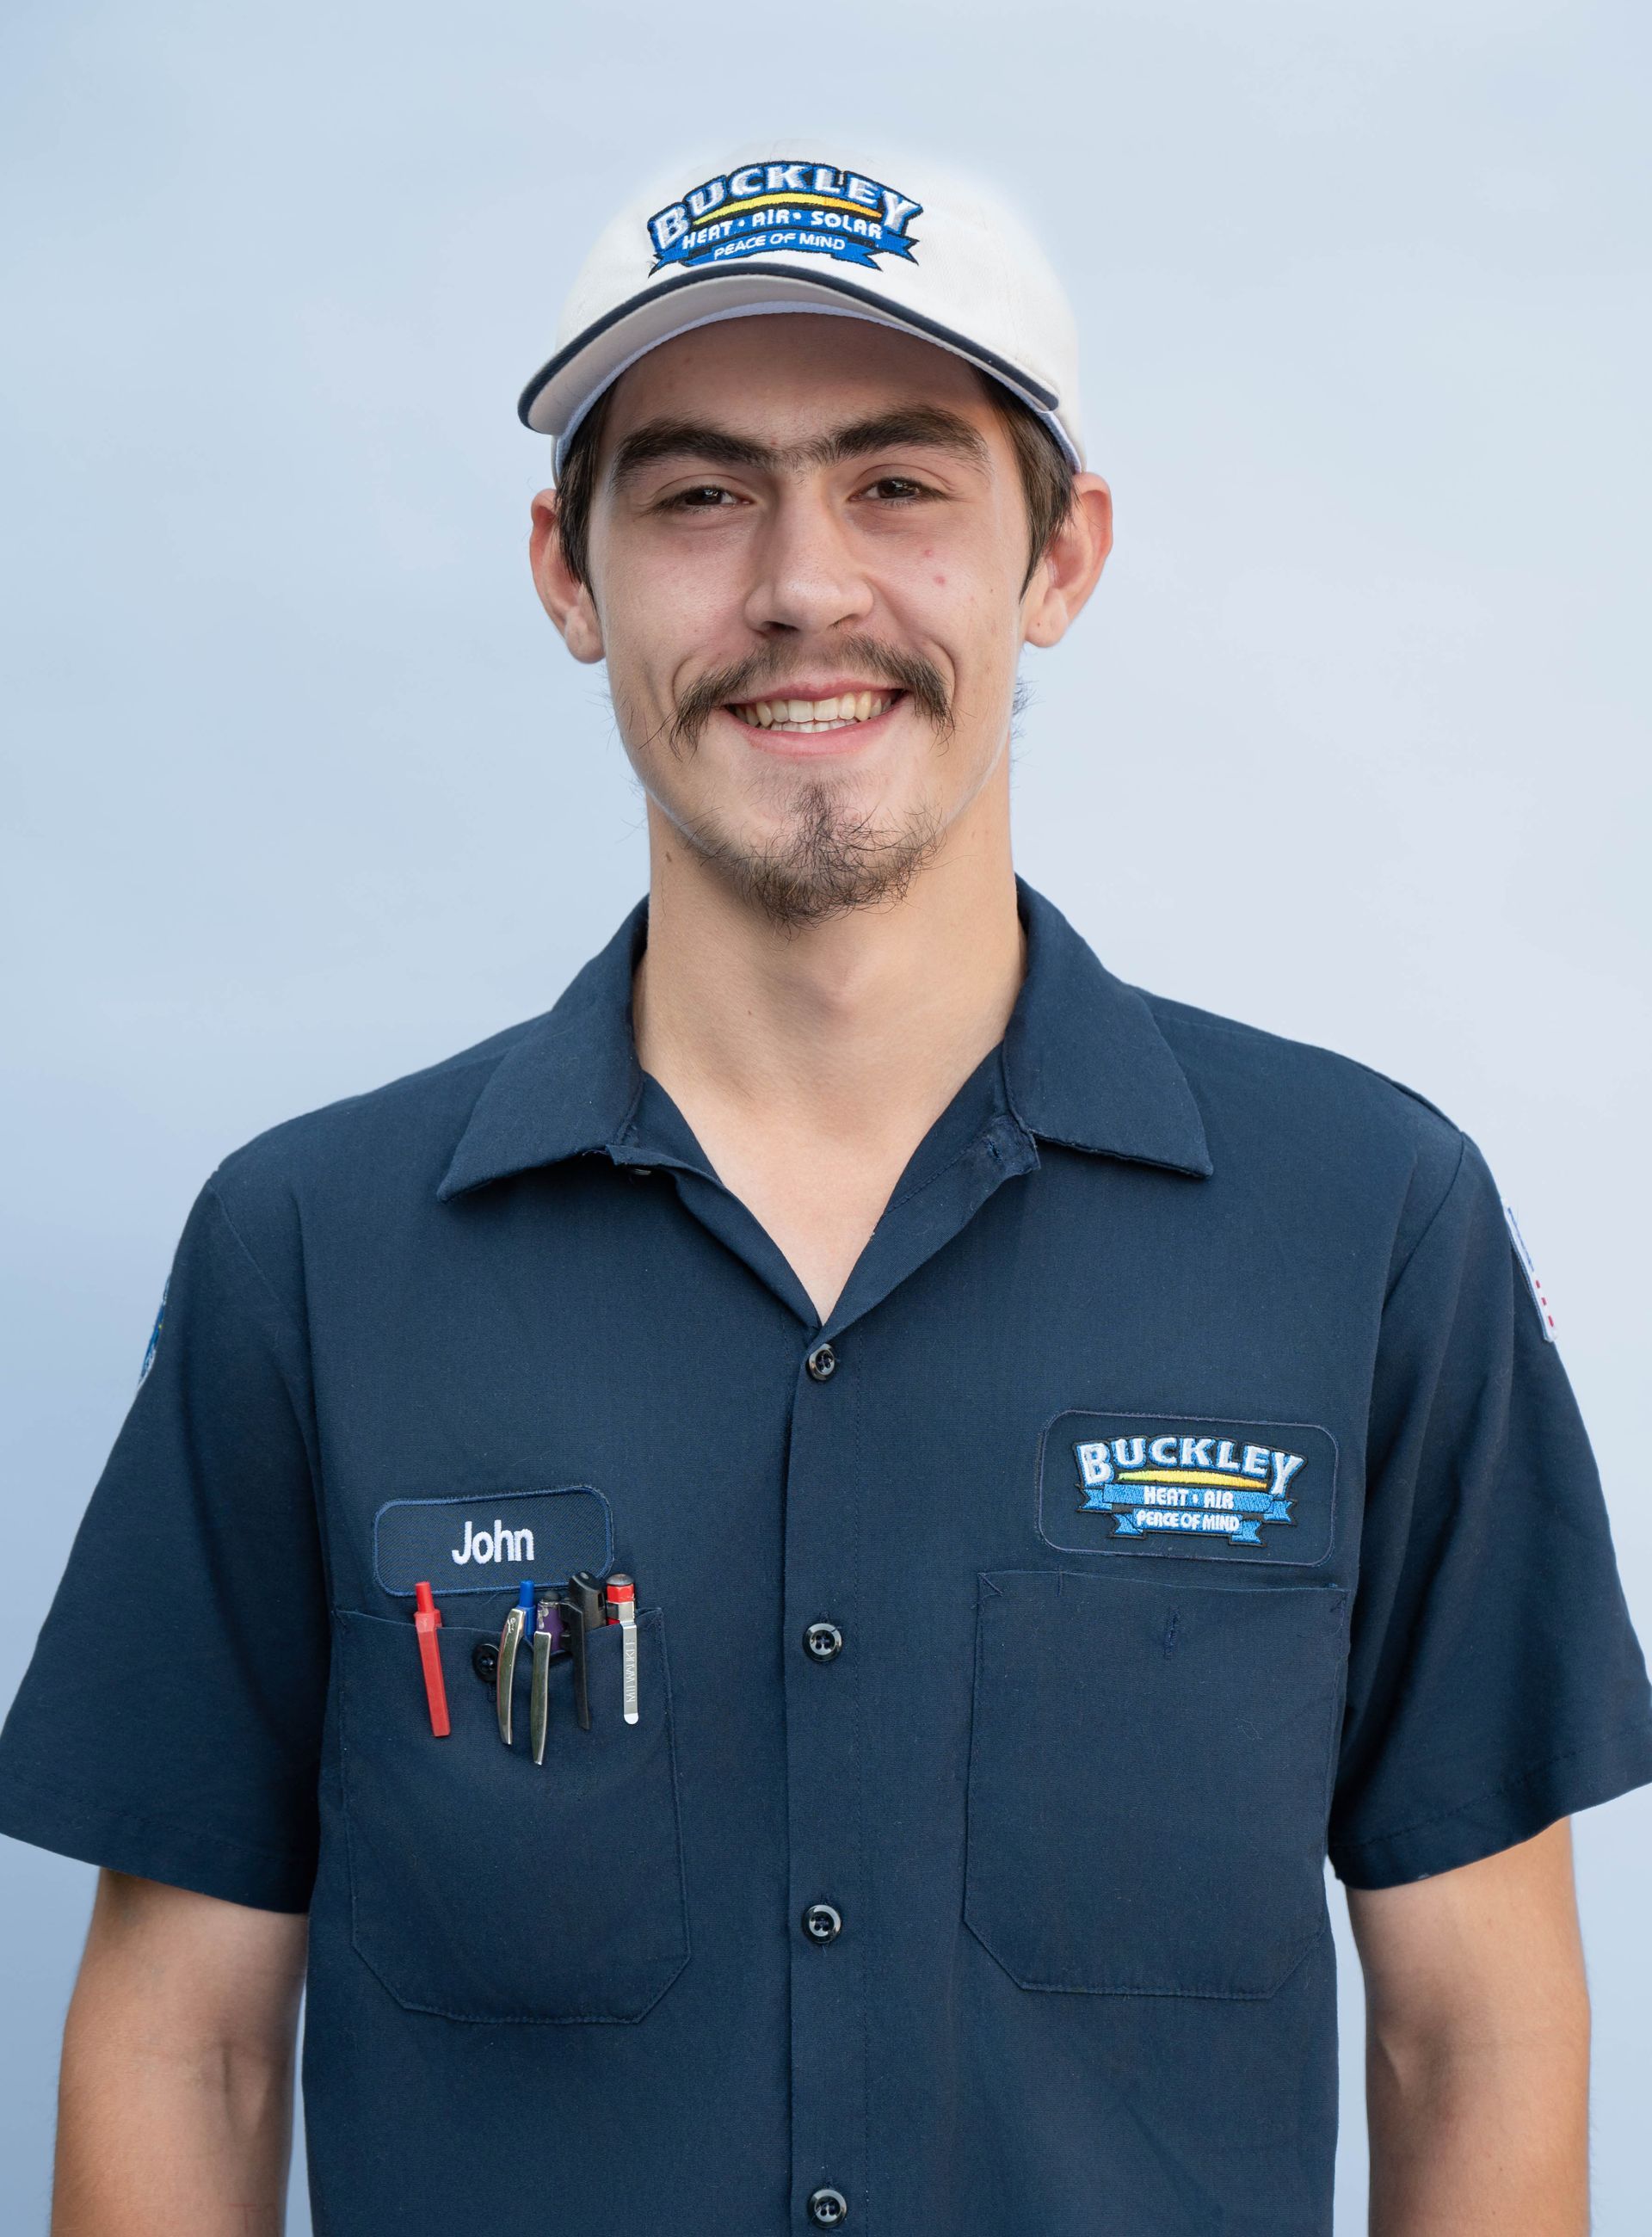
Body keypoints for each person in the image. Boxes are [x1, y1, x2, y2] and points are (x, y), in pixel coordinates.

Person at [2, 139, 1648, 2237]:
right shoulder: (308, 1258)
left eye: (899, 484)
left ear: (1061, 558)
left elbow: (1472, 2028)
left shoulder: (1369, 1225)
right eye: (696, 494)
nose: (799, 585)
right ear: (566, 568)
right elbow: (188, 2038)